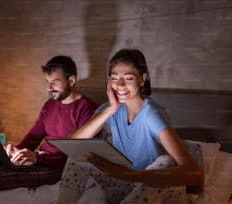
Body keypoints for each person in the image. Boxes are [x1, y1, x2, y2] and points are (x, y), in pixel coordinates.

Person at [57, 49, 204, 203]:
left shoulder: (151, 114)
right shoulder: (110, 108)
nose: (120, 85)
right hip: (127, 188)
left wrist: (127, 174)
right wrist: (110, 110)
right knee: (82, 154)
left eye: (128, 78)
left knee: (166, 161)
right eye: (114, 78)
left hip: (161, 194)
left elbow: (194, 174)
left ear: (142, 79)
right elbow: (74, 142)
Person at [0, 55, 98, 203]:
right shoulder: (50, 105)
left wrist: (37, 158)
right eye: (47, 82)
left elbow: (77, 157)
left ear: (71, 80)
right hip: (37, 159)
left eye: (55, 82)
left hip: (58, 168)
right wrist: (14, 150)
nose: (49, 88)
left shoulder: (88, 110)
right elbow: (33, 138)